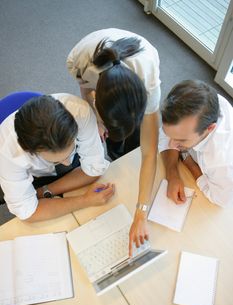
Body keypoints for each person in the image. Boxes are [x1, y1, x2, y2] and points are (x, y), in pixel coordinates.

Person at [67, 28, 161, 255]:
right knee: (110, 138)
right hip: (89, 56)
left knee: (139, 140)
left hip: (137, 55)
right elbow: (85, 90)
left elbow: (150, 153)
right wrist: (97, 122)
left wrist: (141, 212)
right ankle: (114, 142)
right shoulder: (79, 63)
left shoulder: (148, 83)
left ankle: (122, 140)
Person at [0, 93, 115, 222]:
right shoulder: (8, 153)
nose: (67, 164)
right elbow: (28, 213)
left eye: (70, 150)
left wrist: (44, 192)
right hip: (31, 174)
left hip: (43, 183)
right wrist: (85, 200)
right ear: (29, 151)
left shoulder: (80, 112)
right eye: (57, 160)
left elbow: (94, 170)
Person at [159, 80, 233, 207]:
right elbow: (165, 134)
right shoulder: (197, 104)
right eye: (171, 136)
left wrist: (189, 163)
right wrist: (172, 174)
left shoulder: (221, 163)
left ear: (209, 128)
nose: (171, 145)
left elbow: (221, 199)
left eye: (182, 140)